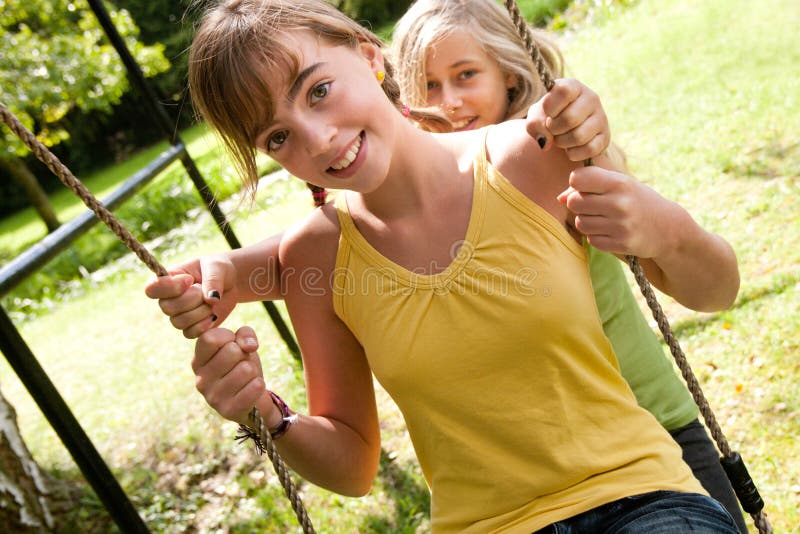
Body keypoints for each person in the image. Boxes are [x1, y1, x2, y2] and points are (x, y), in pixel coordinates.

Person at [151, 0, 744, 531]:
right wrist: (263, 411)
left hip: (638, 499)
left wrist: (665, 228)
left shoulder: (528, 158)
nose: (317, 138)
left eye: (319, 90)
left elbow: (717, 288)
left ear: (369, 57)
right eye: (278, 137)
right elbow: (354, 465)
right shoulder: (315, 255)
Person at [387, 1, 748, 530]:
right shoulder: (404, 207)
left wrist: (666, 229)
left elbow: (716, 290)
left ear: (509, 76)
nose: (449, 103)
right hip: (523, 493)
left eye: (466, 75)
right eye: (429, 85)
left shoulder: (560, 161)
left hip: (650, 444)